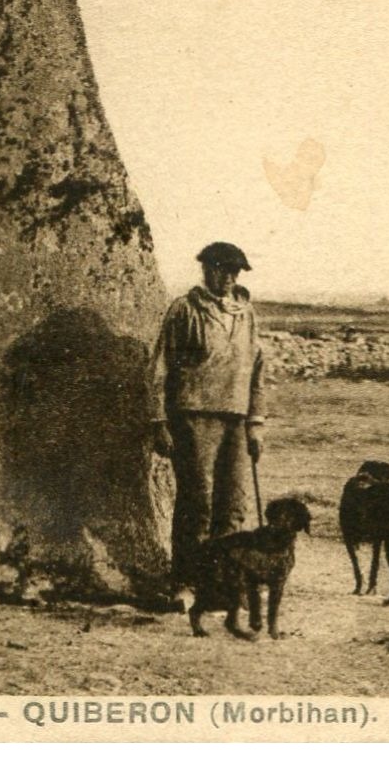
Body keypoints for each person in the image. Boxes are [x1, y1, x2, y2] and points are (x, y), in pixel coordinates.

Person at [146, 241, 267, 594]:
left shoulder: (247, 314)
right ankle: (185, 580)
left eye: (234, 271)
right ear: (206, 269)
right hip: (192, 417)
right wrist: (158, 421)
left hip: (236, 418)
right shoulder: (184, 310)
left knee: (232, 503)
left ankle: (224, 584)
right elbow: (159, 368)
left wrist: (256, 423)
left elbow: (257, 369)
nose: (228, 277)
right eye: (221, 269)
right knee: (197, 502)